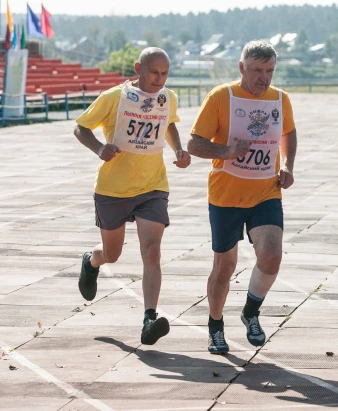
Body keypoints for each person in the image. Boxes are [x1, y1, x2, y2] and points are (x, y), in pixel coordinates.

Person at [74, 47, 191, 345]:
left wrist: (178, 148)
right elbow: (81, 128)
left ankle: (149, 318)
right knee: (112, 254)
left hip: (153, 187)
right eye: (154, 72)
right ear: (139, 68)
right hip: (113, 190)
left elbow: (170, 124)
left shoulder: (167, 97)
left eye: (165, 73)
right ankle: (92, 261)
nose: (159, 79)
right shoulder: (115, 97)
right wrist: (100, 149)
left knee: (152, 251)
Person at [188, 41, 297, 354]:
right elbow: (195, 144)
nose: (264, 77)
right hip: (226, 195)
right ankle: (215, 325)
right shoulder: (222, 97)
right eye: (258, 70)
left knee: (272, 254)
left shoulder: (280, 99)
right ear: (242, 68)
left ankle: (251, 311)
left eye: (270, 71)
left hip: (266, 192)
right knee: (225, 266)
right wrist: (226, 151)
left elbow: (289, 132)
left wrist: (288, 165)